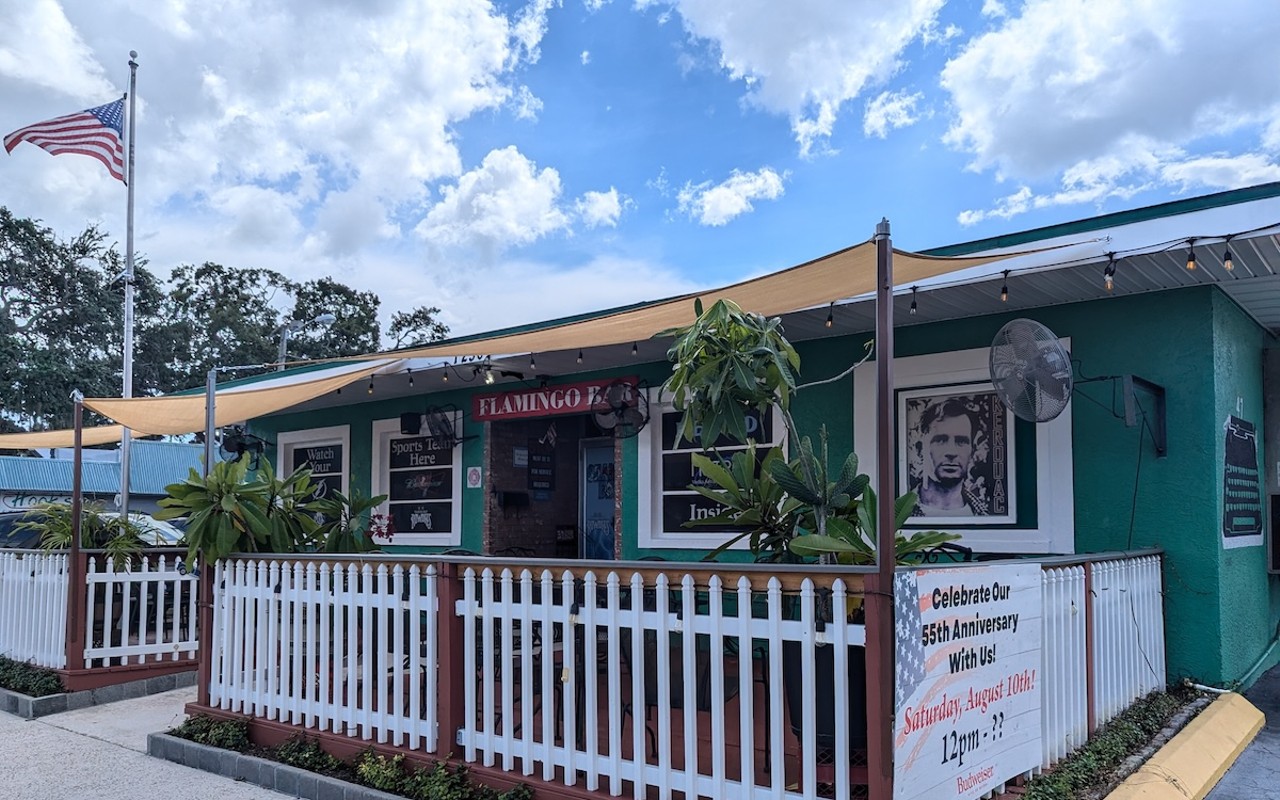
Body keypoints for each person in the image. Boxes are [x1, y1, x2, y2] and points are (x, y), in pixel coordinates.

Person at [911, 398, 989, 517]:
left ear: (972, 451)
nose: (951, 452)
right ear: (921, 448)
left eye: (961, 441)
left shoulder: (983, 515)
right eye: (941, 440)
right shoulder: (900, 514)